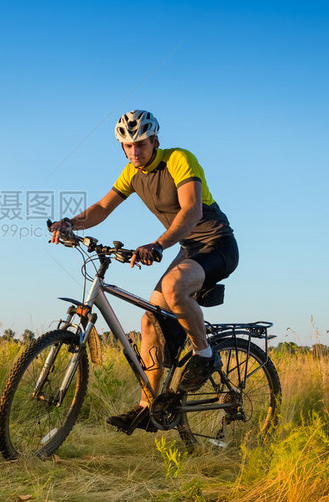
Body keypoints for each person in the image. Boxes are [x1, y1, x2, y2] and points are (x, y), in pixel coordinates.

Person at [49, 110, 238, 434]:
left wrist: (158, 244)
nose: (134, 152)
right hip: (187, 249)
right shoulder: (132, 174)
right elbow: (102, 208)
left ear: (154, 141)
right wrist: (70, 223)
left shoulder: (179, 159)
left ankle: (204, 355)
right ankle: (146, 407)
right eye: (127, 146)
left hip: (216, 244)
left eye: (140, 144)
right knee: (150, 318)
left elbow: (191, 211)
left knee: (175, 287)